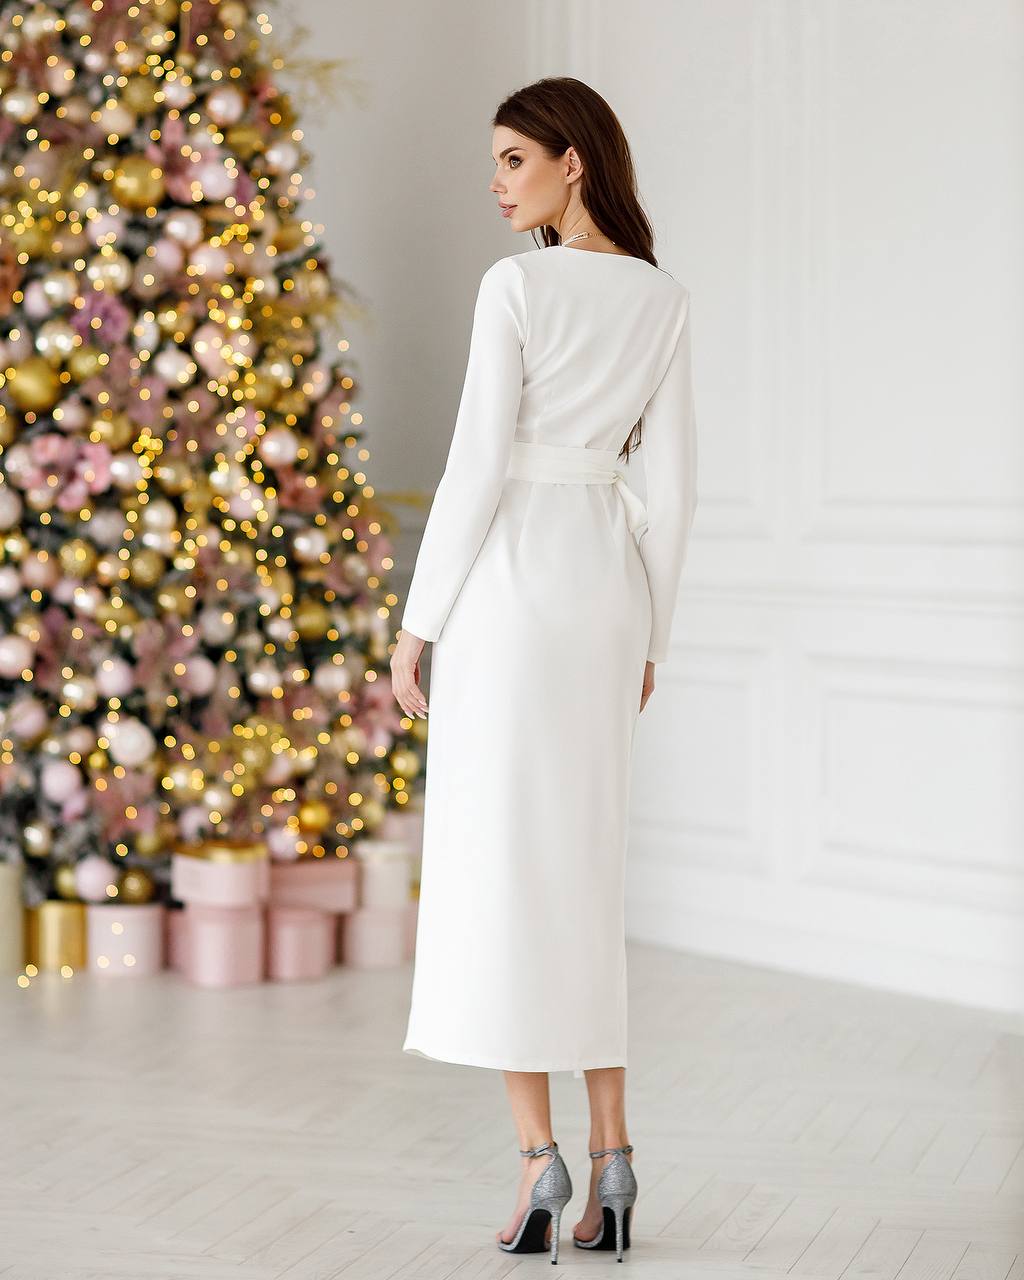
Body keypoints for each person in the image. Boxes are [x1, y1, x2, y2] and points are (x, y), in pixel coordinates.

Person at [390, 76, 698, 1264]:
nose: (496, 181)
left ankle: (538, 1163)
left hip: (511, 593)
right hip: (606, 598)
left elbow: (475, 466)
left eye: (514, 158)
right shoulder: (663, 298)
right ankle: (617, 1159)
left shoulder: (515, 283)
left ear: (575, 162)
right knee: (584, 872)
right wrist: (653, 635)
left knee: (499, 870)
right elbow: (670, 497)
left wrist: (419, 623)